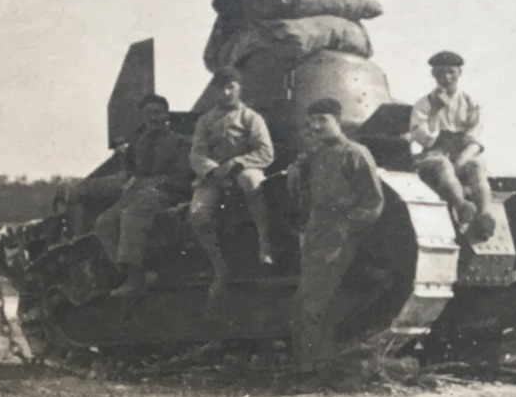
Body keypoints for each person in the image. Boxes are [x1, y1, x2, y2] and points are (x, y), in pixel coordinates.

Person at [287, 97, 385, 373]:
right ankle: (311, 365)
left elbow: (373, 201)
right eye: (312, 121)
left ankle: (314, 369)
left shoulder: (355, 153)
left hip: (339, 235)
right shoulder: (318, 154)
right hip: (318, 232)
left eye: (323, 120)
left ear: (337, 121)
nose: (316, 126)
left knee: (313, 303)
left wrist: (347, 228)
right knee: (306, 302)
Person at [188, 67, 276, 302]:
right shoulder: (205, 121)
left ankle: (264, 244)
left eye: (231, 87)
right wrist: (213, 170)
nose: (226, 93)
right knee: (197, 213)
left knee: (252, 182)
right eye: (222, 88)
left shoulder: (251, 118)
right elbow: (197, 153)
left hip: (243, 171)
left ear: (239, 88)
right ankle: (220, 267)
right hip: (214, 176)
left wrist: (238, 162)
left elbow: (266, 153)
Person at [92, 94, 194, 297]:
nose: (153, 118)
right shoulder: (138, 141)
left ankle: (134, 280)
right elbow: (129, 166)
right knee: (104, 222)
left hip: (166, 190)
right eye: (148, 114)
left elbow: (183, 175)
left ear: (166, 115)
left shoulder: (180, 142)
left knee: (132, 215)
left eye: (158, 113)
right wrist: (127, 176)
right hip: (138, 188)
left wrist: (160, 188)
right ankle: (135, 271)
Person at [409, 50, 496, 242]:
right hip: (435, 152)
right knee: (442, 164)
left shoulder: (470, 101)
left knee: (477, 166)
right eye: (440, 73)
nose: (446, 77)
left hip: (462, 151)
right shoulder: (424, 104)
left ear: (459, 73)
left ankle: (485, 215)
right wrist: (435, 112)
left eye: (451, 72)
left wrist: (464, 157)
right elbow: (423, 137)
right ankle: (462, 206)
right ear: (434, 75)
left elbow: (475, 134)